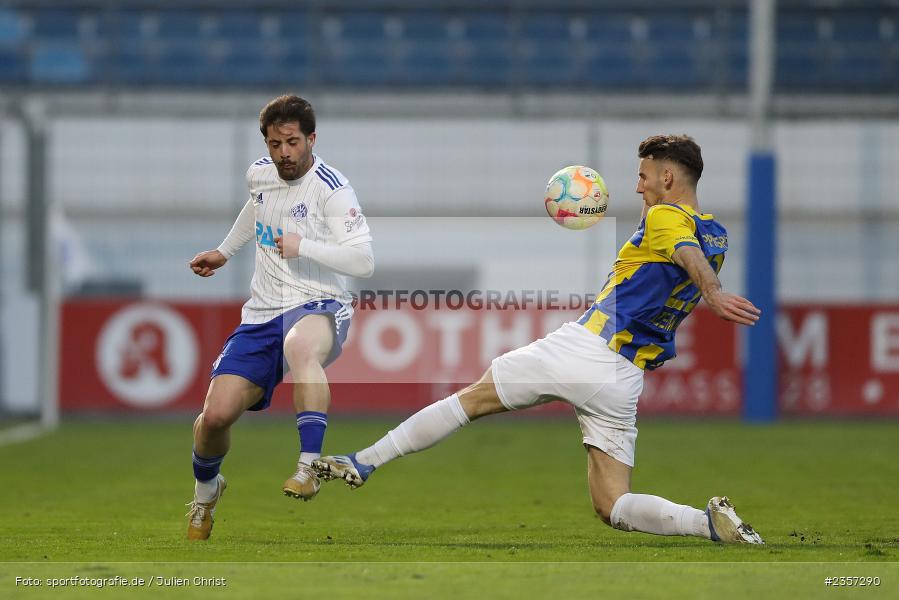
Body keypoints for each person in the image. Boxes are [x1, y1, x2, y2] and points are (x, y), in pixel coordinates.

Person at [314, 134, 765, 544]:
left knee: (469, 400)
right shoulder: (716, 235)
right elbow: (683, 250)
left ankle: (364, 460)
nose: (636, 187)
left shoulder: (667, 217)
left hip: (587, 348)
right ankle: (707, 523)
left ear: (668, 177)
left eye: (643, 176)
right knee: (612, 505)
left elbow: (683, 252)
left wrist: (712, 292)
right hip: (624, 377)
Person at [185, 95, 374, 541]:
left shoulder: (333, 189)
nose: (283, 153)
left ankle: (308, 468)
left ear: (311, 139)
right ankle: (206, 493)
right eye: (275, 144)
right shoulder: (260, 174)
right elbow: (256, 207)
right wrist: (224, 252)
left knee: (301, 347)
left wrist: (303, 245)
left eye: (292, 142)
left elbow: (363, 261)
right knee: (213, 418)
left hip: (320, 302)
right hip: (262, 313)